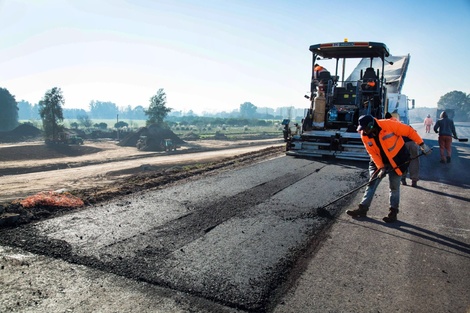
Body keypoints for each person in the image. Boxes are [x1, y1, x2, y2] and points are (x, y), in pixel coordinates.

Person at [346, 115, 431, 223]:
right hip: (380, 160)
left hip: (397, 159)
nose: (364, 131)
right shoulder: (364, 135)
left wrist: (422, 144)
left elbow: (409, 131)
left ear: (371, 125)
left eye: (365, 128)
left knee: (394, 186)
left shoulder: (388, 124)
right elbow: (372, 153)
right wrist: (381, 168)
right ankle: (363, 208)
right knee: (372, 183)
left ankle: (393, 213)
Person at [385, 112, 420, 187]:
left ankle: (403, 179)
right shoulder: (403, 124)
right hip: (413, 143)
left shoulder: (389, 126)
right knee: (414, 161)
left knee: (403, 161)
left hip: (404, 144)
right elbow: (414, 133)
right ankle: (414, 181)